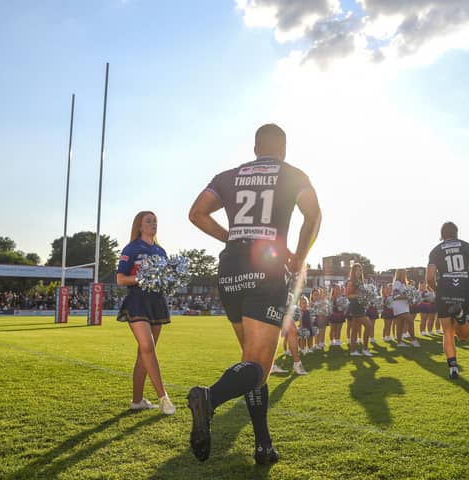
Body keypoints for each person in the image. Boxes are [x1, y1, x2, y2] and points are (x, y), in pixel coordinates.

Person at [187, 123, 321, 464]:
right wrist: (300, 256)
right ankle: (209, 398)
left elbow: (197, 213)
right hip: (268, 267)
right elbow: (313, 214)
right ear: (284, 148)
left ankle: (263, 446)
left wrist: (229, 238)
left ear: (255, 147)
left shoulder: (228, 175)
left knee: (252, 361)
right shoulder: (292, 174)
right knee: (259, 366)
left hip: (231, 268)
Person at [116, 211, 176, 415]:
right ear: (140, 227)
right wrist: (143, 278)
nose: (153, 224)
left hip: (156, 302)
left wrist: (170, 279)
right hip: (137, 302)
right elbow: (121, 279)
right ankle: (163, 397)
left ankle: (137, 401)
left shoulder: (161, 251)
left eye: (155, 221)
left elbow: (165, 279)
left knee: (144, 355)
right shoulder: (131, 248)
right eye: (148, 221)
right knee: (147, 347)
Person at [426, 221, 469, 379]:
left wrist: (437, 290)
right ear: (456, 233)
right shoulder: (466, 246)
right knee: (464, 336)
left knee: (447, 332)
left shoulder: (435, 250)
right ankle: (461, 316)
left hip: (444, 291)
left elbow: (429, 278)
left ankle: (453, 367)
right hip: (463, 290)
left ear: (442, 234)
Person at [346, 264, 374, 356]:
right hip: (355, 307)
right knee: (369, 325)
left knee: (355, 329)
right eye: (356, 270)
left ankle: (353, 351)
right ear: (353, 272)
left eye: (360, 270)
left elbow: (363, 294)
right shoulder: (351, 282)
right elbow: (348, 295)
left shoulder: (361, 282)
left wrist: (367, 298)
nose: (358, 272)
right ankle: (365, 349)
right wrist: (359, 295)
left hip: (361, 306)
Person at [392, 270, 420, 348]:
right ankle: (413, 340)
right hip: (399, 305)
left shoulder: (403, 283)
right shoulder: (397, 282)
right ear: (400, 273)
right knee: (410, 321)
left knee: (400, 324)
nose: (405, 273)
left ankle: (399, 342)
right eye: (403, 272)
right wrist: (407, 296)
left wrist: (410, 297)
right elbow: (395, 295)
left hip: (404, 305)